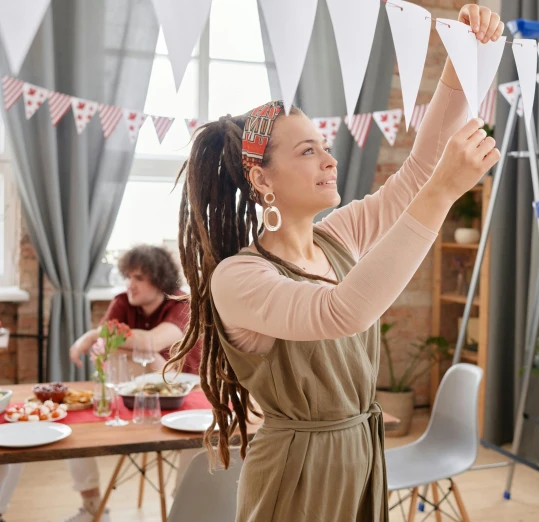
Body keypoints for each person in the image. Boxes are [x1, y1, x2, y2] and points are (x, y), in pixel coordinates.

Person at [164, 5, 502, 520]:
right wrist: (444, 193)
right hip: (298, 473)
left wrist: (460, 61)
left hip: (362, 456)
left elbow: (416, 175)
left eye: (325, 145)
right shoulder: (239, 278)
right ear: (262, 179)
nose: (330, 159)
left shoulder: (338, 235)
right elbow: (342, 311)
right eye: (307, 151)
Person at [61, 244, 199, 522]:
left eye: (138, 278)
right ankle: (92, 507)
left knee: (198, 437)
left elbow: (152, 342)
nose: (130, 285)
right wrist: (105, 339)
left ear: (159, 279)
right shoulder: (124, 302)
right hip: (131, 396)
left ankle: (183, 510)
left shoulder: (182, 304)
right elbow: (110, 348)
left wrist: (94, 336)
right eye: (129, 277)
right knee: (71, 426)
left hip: (183, 397)